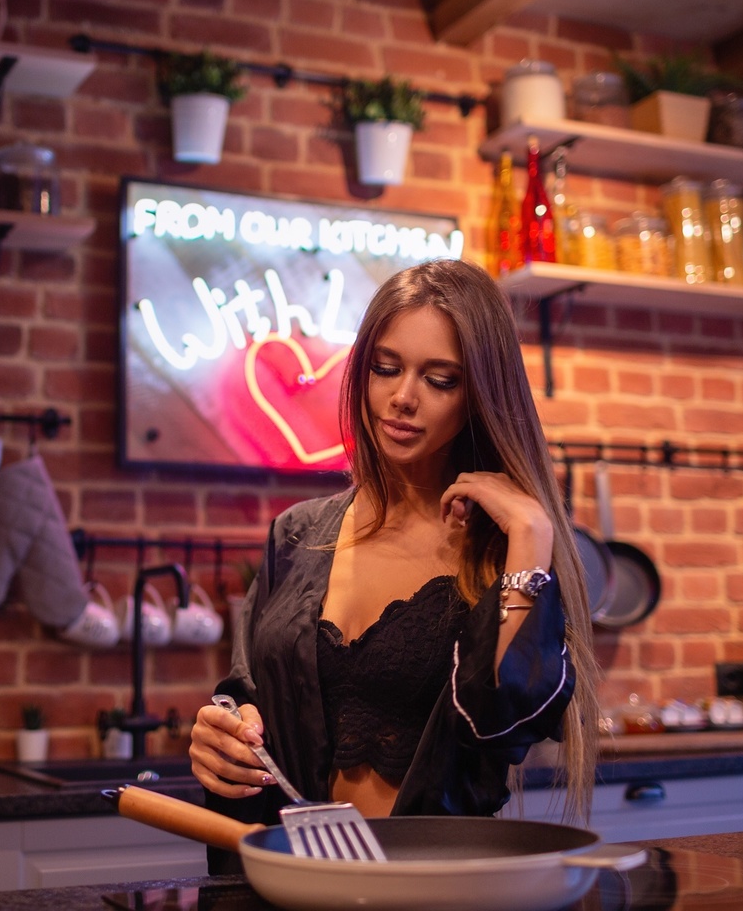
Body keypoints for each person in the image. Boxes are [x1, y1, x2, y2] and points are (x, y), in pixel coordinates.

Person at [189, 258, 598, 869]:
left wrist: (534, 535)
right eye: (385, 368)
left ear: (479, 395)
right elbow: (249, 693)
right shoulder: (298, 535)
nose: (402, 398)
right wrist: (219, 734)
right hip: (285, 881)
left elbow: (505, 715)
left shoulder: (501, 550)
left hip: (435, 887)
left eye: (440, 380)